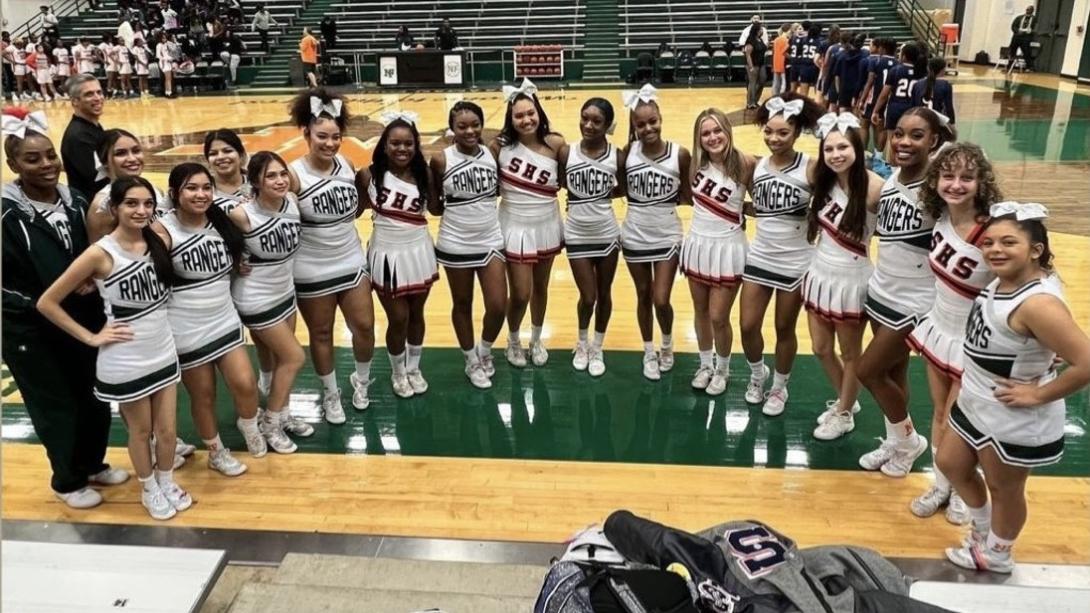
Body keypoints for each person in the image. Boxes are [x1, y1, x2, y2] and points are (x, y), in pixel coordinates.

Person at [940, 203, 1089, 573]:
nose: (995, 249)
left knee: (1004, 488)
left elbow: (1086, 362)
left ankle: (997, 555)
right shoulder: (1007, 279)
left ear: (1036, 250)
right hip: (977, 398)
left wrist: (1037, 394)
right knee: (949, 462)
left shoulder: (1038, 303)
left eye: (1009, 242)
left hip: (1012, 413)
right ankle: (984, 529)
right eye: (988, 242)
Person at [37, 176, 191, 521]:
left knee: (167, 430)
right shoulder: (99, 253)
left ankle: (167, 481)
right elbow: (47, 303)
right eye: (132, 204)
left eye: (148, 204)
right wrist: (91, 337)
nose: (141, 210)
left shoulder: (159, 239)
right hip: (126, 356)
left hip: (163, 348)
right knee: (141, 431)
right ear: (115, 208)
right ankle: (149, 488)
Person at [2, 108, 127, 510]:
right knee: (55, 403)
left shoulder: (76, 200)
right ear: (13, 165)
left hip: (82, 318)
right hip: (30, 329)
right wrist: (39, 306)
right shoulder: (6, 214)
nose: (46, 165)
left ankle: (92, 463)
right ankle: (66, 480)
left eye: (50, 155)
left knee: (93, 394)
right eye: (32, 159)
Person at [906, 142, 1001, 525]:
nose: (956, 184)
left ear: (982, 183)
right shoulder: (941, 216)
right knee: (940, 417)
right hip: (938, 329)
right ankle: (941, 483)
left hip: (972, 343)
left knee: (959, 421)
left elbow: (1031, 279)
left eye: (967, 177)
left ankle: (963, 485)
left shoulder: (992, 230)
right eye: (948, 175)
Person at [152, 163, 266, 476]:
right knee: (204, 395)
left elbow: (236, 254)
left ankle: (249, 425)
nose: (201, 194)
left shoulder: (220, 220)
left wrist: (239, 264)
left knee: (245, 384)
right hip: (186, 326)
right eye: (192, 188)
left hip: (224, 318)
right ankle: (216, 452)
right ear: (175, 193)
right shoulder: (162, 230)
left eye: (206, 187)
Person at [857, 108, 952, 477]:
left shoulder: (940, 187)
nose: (904, 142)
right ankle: (897, 443)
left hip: (916, 302)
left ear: (934, 142)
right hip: (882, 291)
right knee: (893, 376)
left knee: (869, 371)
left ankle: (910, 441)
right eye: (899, 134)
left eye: (916, 135)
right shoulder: (893, 178)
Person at [287, 90, 375, 418]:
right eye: (322, 136)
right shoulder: (293, 175)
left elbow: (354, 209)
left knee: (364, 327)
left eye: (336, 136)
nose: (330, 143)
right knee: (321, 332)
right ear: (306, 133)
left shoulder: (347, 164)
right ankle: (330, 392)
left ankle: (362, 381)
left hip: (350, 259)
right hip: (311, 267)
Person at [801, 112, 883, 440]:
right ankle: (847, 398)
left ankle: (845, 411)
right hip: (820, 272)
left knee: (851, 354)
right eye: (829, 149)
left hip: (852, 277)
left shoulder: (876, 187)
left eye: (843, 147)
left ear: (857, 147)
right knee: (821, 348)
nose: (836, 155)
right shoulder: (823, 180)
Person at [740, 93, 823, 416]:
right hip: (760, 256)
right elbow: (755, 202)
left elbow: (829, 206)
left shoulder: (811, 167)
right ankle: (757, 374)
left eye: (783, 133)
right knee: (748, 325)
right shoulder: (756, 165)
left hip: (795, 261)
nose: (774, 138)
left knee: (783, 328)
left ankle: (779, 386)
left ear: (797, 133)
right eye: (769, 131)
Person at [227, 151, 307, 453]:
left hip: (285, 292)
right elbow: (216, 235)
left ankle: (283, 414)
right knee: (294, 357)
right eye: (271, 175)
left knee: (277, 360)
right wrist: (235, 260)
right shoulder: (242, 214)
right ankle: (271, 423)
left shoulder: (292, 203)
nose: (280, 180)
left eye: (282, 174)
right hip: (255, 296)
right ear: (255, 182)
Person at [356, 113, 438, 397]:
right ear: (384, 145)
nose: (402, 149)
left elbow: (437, 208)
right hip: (386, 253)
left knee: (417, 314)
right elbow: (353, 211)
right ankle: (398, 371)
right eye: (395, 143)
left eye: (408, 144)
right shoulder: (368, 175)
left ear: (416, 146)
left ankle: (414, 367)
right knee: (398, 318)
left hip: (418, 250)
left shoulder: (424, 174)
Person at [430, 101, 507, 388]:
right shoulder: (441, 160)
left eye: (475, 124)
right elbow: (435, 206)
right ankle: (470, 360)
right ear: (452, 129)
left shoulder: (491, 153)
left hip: (490, 239)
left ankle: (484, 350)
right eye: (462, 126)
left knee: (499, 305)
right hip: (455, 242)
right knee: (462, 303)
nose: (470, 130)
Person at [490, 79, 566, 368]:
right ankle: (512, 339)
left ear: (539, 112)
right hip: (514, 226)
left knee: (541, 287)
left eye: (530, 113)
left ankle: (535, 339)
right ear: (510, 119)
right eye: (519, 115)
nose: (526, 119)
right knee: (521, 293)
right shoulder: (499, 146)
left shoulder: (556, 144)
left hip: (546, 224)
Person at [620, 84, 691, 381]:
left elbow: (688, 195)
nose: (648, 128)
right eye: (641, 124)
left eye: (653, 122)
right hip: (635, 233)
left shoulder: (680, 154)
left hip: (667, 235)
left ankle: (666, 343)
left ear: (661, 119)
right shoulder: (627, 154)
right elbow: (623, 191)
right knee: (643, 295)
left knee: (661, 298)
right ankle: (649, 351)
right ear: (634, 127)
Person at [681, 108, 754, 395]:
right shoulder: (693, 164)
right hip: (698, 244)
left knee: (718, 316)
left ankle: (723, 369)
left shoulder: (746, 163)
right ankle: (705, 365)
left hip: (728, 248)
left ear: (727, 130)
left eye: (717, 130)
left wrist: (743, 210)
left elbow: (762, 202)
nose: (712, 138)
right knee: (700, 312)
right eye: (705, 133)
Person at [557, 98, 623, 377]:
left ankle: (598, 345)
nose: (588, 125)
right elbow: (561, 183)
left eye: (597, 121)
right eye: (585, 118)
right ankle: (581, 342)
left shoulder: (616, 156)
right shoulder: (566, 152)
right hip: (577, 234)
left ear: (608, 126)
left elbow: (622, 190)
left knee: (604, 294)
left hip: (607, 233)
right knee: (588, 295)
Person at [86, 129, 170, 242]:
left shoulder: (155, 190)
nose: (132, 159)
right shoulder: (101, 205)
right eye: (120, 153)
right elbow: (99, 253)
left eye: (136, 151)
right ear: (104, 161)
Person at [873, 42, 928, 152]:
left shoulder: (895, 70)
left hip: (895, 109)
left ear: (904, 56)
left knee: (893, 141)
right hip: (913, 110)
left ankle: (892, 166)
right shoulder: (922, 72)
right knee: (909, 141)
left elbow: (884, 94)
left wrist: (876, 110)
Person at [60, 74, 106, 200]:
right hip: (92, 204)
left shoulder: (92, 126)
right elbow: (97, 178)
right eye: (89, 94)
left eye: (99, 92)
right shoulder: (79, 136)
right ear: (75, 101)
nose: (97, 98)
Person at [856, 38, 898, 154]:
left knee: (864, 124)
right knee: (880, 128)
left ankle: (863, 154)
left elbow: (869, 81)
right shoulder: (897, 63)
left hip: (873, 97)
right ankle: (878, 155)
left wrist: (862, 99)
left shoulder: (875, 61)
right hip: (889, 99)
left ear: (882, 49)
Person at [912, 57, 956, 125]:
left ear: (928, 68)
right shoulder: (945, 85)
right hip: (937, 122)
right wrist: (951, 122)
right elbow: (948, 107)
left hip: (920, 121)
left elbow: (913, 106)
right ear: (943, 70)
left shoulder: (917, 84)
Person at [832, 32, 868, 113]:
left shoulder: (841, 56)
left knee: (843, 116)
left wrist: (839, 92)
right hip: (859, 89)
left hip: (844, 89)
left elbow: (837, 76)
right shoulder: (865, 56)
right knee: (855, 117)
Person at [743, 25, 768, 109]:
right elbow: (748, 55)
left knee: (762, 80)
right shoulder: (750, 40)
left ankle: (755, 99)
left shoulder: (760, 39)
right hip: (753, 64)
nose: (762, 31)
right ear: (756, 30)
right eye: (760, 29)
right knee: (752, 83)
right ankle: (750, 102)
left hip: (761, 63)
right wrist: (751, 67)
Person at [1008, 5, 1037, 73]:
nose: (1028, 11)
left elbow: (1036, 28)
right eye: (1027, 9)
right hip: (1017, 36)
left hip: (1026, 37)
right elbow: (1013, 26)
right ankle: (1009, 66)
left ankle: (1028, 67)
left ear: (1032, 11)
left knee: (1026, 52)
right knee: (1012, 50)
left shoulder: (1035, 19)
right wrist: (1018, 31)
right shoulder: (1019, 17)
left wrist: (1031, 31)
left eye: (1030, 10)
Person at [771, 24, 791, 96]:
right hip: (783, 63)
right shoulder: (786, 40)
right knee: (784, 83)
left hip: (776, 63)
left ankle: (774, 97)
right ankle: (782, 97)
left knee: (776, 83)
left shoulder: (776, 40)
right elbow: (785, 52)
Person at [156, 32, 176, 98]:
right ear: (160, 38)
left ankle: (167, 92)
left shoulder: (166, 45)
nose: (165, 39)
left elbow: (169, 54)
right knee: (168, 78)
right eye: (163, 38)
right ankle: (169, 93)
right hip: (164, 63)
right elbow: (158, 56)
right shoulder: (159, 45)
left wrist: (171, 58)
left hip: (168, 62)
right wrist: (166, 59)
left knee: (168, 79)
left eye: (165, 38)